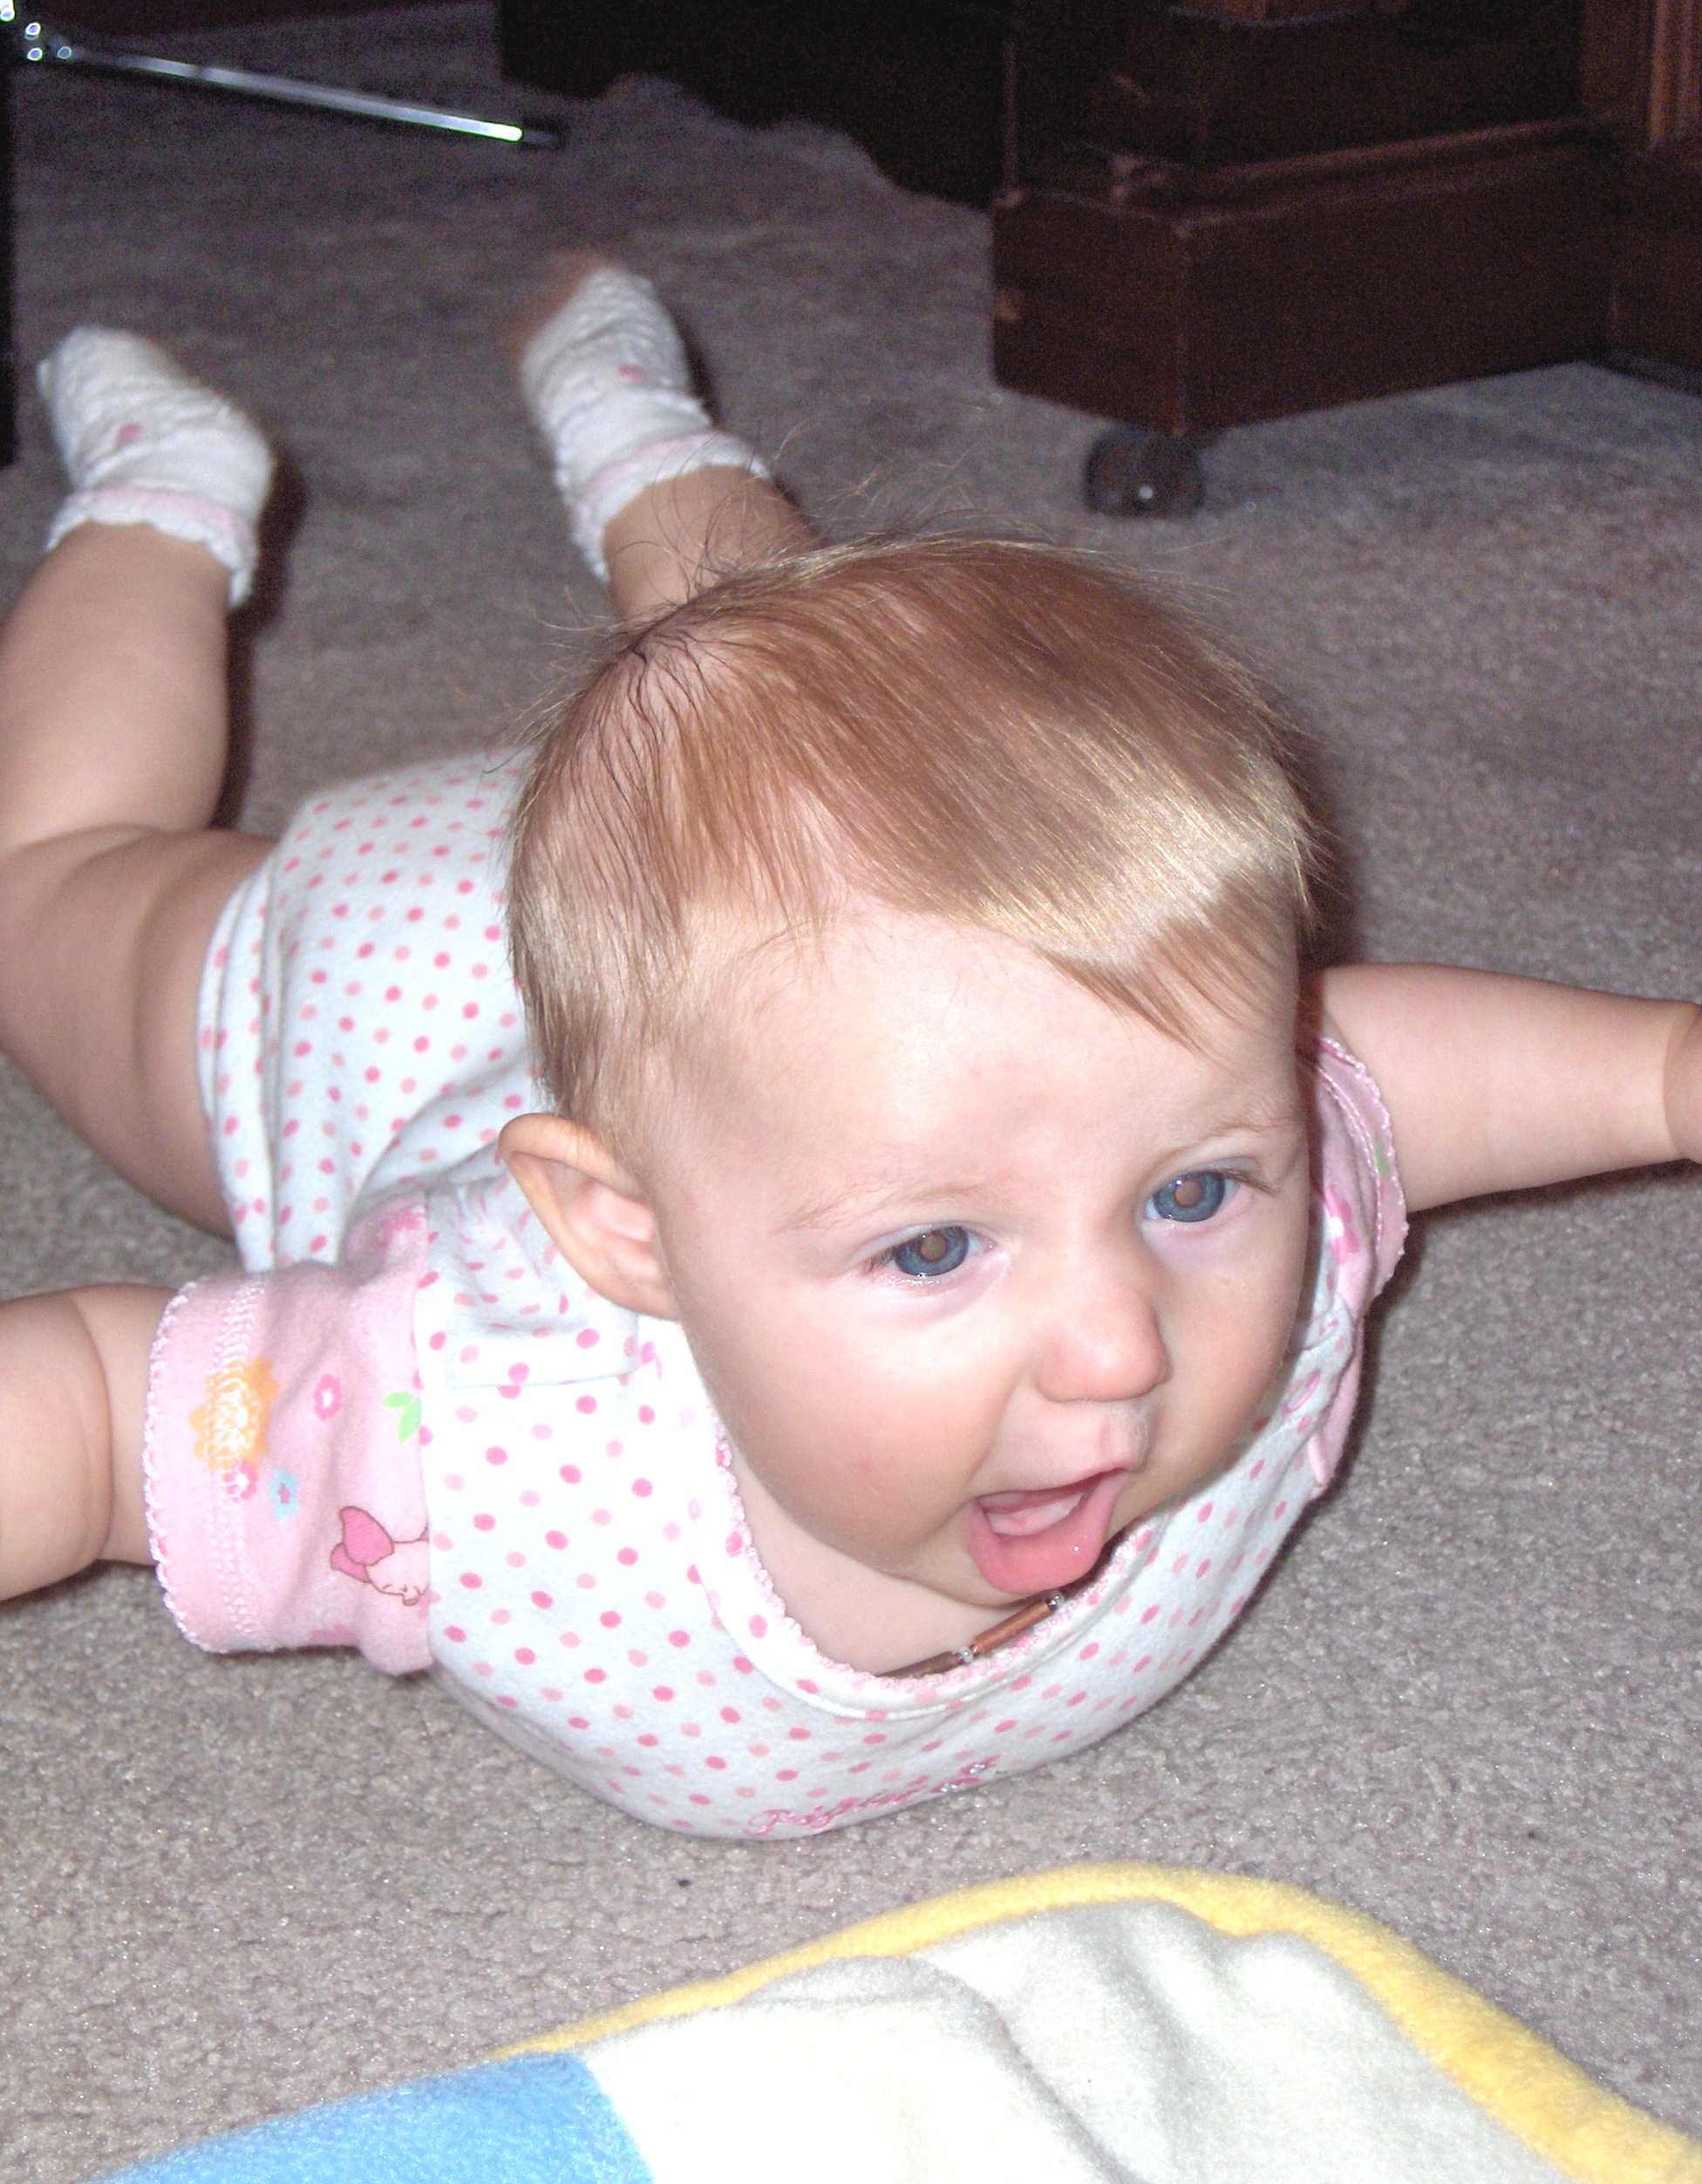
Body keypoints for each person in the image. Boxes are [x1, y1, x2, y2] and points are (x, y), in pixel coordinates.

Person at [0, 260, 1695, 1840]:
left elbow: (1381, 1074)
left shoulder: (1221, 1156)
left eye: (1187, 1196)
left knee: (808, 659)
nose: (1118, 1347)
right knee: (41, 887)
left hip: (832, 960)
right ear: (628, 1232)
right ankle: (163, 491)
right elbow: (84, 1415)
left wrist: (1663, 1077)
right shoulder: (464, 1414)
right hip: (387, 977)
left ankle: (632, 426)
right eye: (936, 1248)